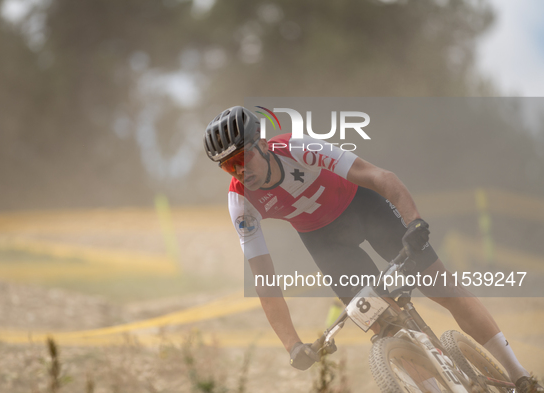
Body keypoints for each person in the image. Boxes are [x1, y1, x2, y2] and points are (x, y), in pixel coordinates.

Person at [204, 106, 541, 392]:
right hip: (325, 241)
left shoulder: (298, 148)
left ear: (262, 144)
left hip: (362, 208)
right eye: (229, 166)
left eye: (243, 158)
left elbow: (380, 177)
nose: (241, 171)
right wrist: (292, 345)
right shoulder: (240, 201)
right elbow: (265, 282)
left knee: (442, 287)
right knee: (382, 327)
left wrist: (415, 223)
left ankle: (519, 375)